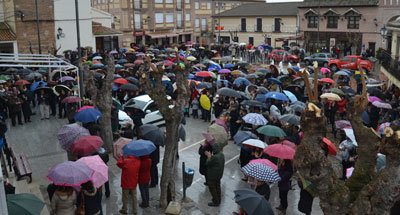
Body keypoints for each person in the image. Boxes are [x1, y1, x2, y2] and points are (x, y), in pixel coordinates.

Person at [205, 142, 225, 207]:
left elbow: (208, 163)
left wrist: (209, 156)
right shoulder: (222, 155)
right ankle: (218, 199)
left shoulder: (215, 157)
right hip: (219, 175)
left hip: (213, 176)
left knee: (212, 188)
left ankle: (216, 201)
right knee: (218, 187)